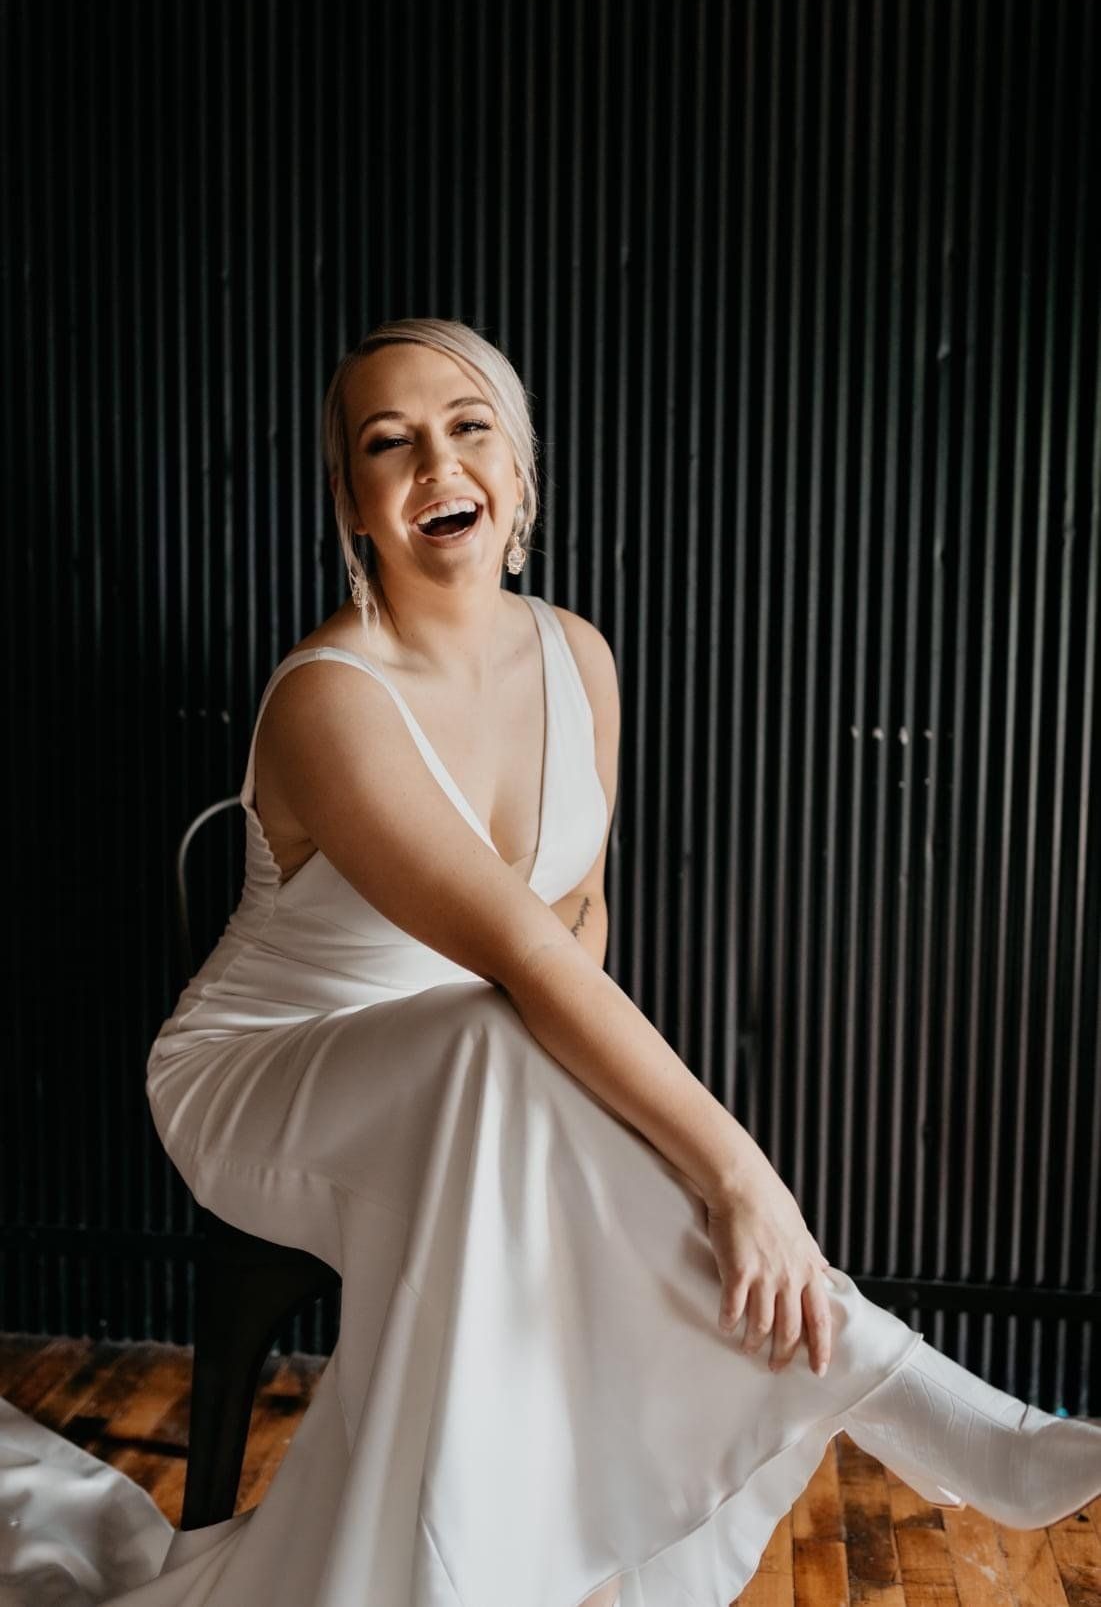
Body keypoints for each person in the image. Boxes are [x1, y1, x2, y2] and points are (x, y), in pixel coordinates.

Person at [2, 317, 1100, 1607]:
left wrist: (611, 1117)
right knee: (495, 1035)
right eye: (386, 443)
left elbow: (581, 917)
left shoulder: (579, 658)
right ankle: (901, 1388)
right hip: (262, 1078)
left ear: (518, 472)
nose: (434, 466)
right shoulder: (328, 699)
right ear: (352, 500)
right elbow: (526, 952)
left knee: (504, 1055)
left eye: (468, 429)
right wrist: (747, 1184)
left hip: (478, 1079)